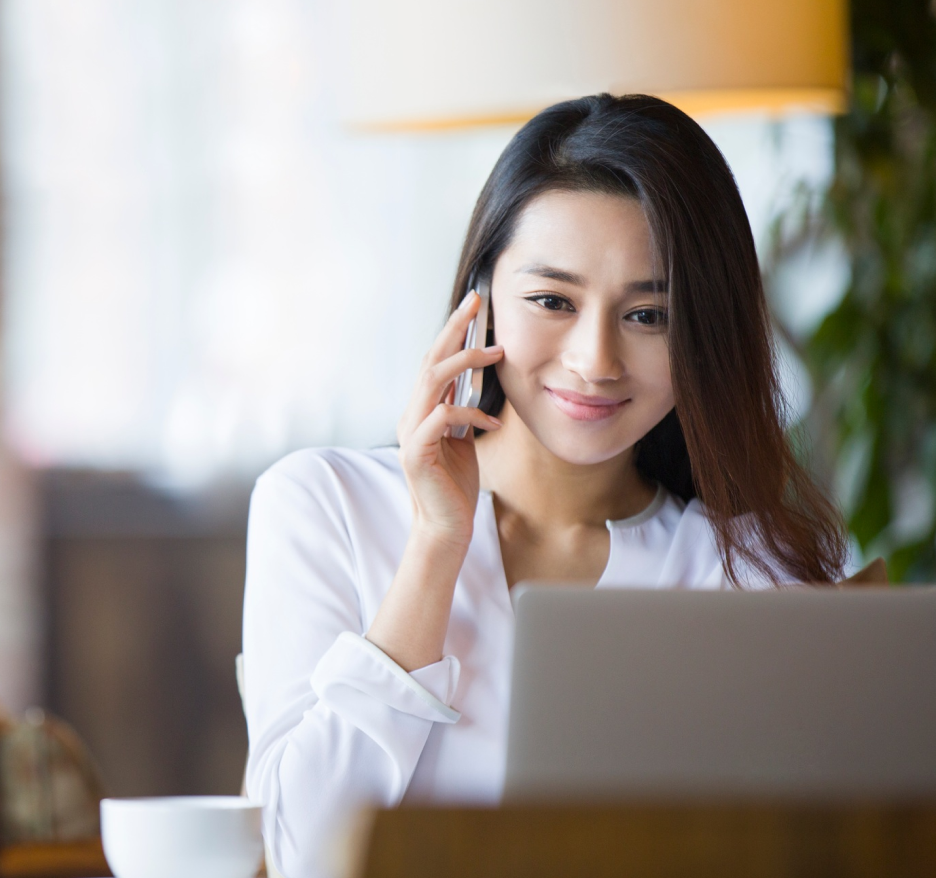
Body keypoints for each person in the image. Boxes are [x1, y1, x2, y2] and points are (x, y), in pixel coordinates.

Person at [242, 93, 848, 878]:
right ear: (481, 302)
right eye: (552, 301)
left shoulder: (745, 570)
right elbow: (299, 852)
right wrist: (436, 545)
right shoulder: (323, 504)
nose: (595, 361)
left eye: (649, 315)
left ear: (705, 335)